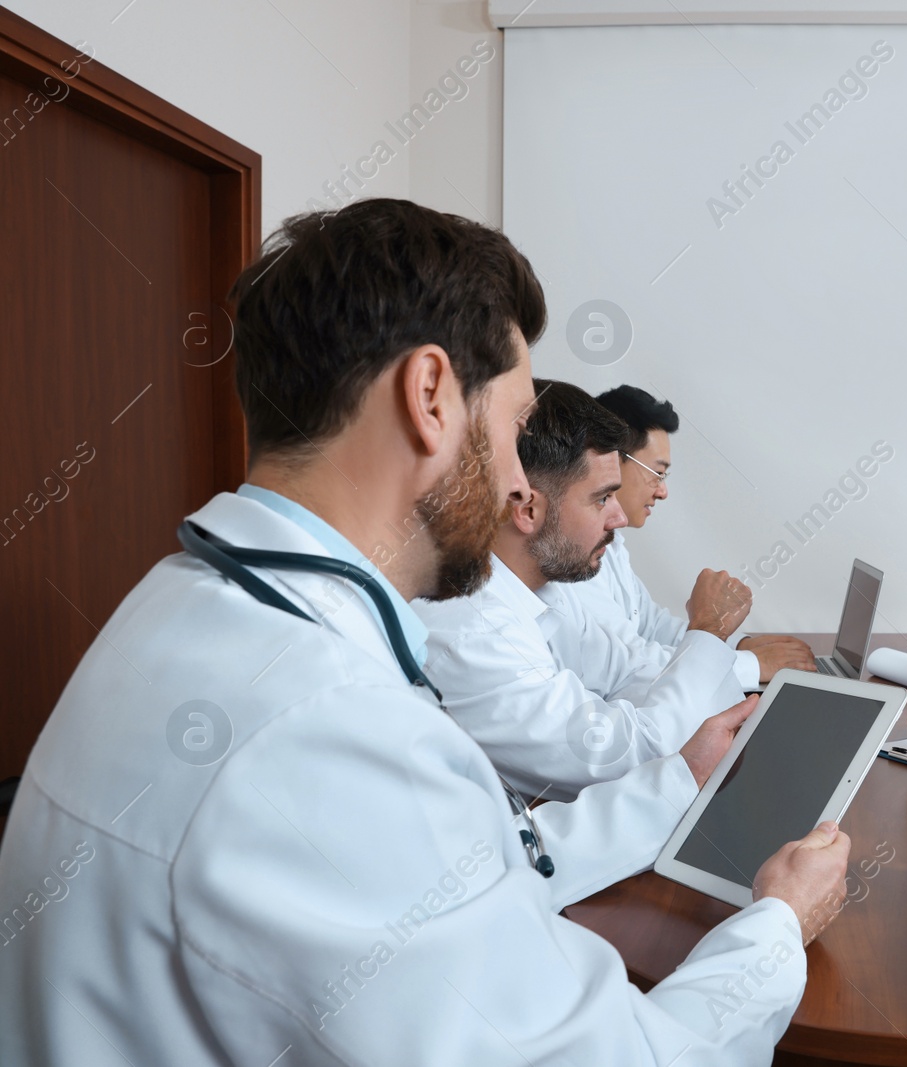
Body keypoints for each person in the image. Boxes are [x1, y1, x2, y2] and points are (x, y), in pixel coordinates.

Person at [0, 199, 849, 1065]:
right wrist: (778, 927)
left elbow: (468, 868)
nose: (523, 480)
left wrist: (676, 783)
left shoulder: (184, 603)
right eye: (518, 427)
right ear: (432, 394)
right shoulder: (325, 728)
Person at [415, 380, 750, 799]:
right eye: (601, 499)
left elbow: (631, 672)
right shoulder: (470, 633)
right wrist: (708, 633)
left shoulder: (549, 589)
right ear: (528, 509)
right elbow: (633, 756)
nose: (619, 519)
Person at [564, 383, 815, 686]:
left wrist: (737, 646)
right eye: (657, 473)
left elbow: (651, 625)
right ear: (612, 461)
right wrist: (751, 666)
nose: (662, 491)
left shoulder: (612, 544)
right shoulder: (571, 553)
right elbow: (627, 664)